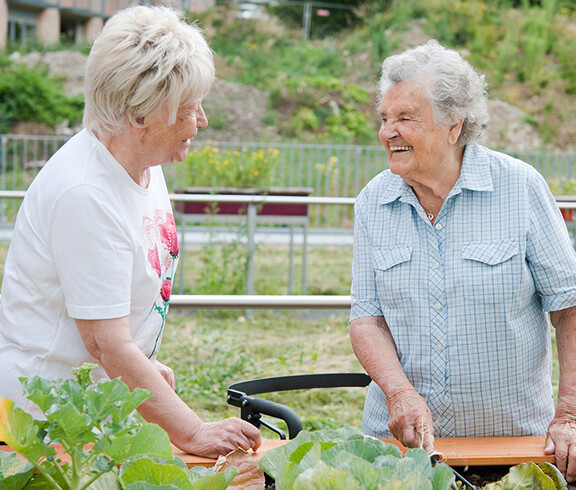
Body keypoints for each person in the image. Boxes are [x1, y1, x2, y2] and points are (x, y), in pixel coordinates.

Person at [0, 5, 261, 458]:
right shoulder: (85, 193)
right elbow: (105, 344)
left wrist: (145, 366)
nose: (201, 121)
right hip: (47, 428)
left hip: (92, 412)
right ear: (140, 117)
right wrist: (192, 430)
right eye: (189, 108)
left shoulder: (141, 164)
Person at [349, 39, 576, 482]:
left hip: (512, 453)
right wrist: (398, 394)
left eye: (405, 118)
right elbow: (367, 319)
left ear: (454, 124)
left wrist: (570, 413)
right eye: (385, 118)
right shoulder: (373, 202)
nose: (387, 132)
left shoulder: (520, 188)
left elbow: (569, 307)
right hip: (402, 455)